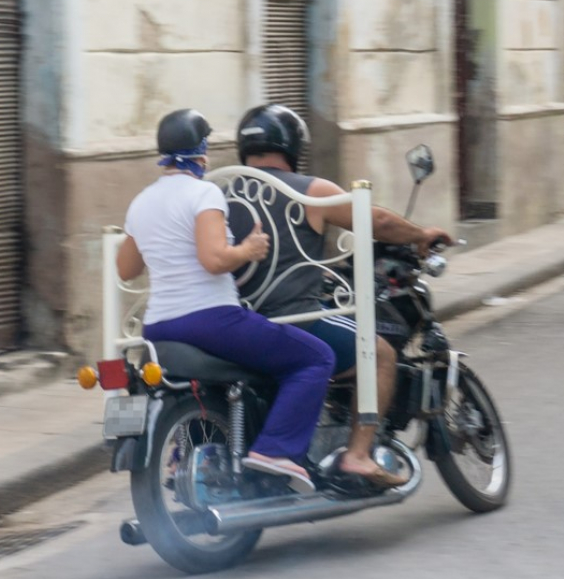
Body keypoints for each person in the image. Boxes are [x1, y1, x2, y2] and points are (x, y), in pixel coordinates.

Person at [227, 104, 452, 489]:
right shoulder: (306, 190)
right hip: (293, 319)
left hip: (235, 323)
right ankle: (358, 455)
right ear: (292, 145)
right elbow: (375, 220)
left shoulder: (219, 190)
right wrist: (420, 235)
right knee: (380, 355)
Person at [116, 108, 335, 494]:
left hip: (158, 325)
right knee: (315, 358)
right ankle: (275, 451)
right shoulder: (205, 193)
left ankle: (197, 452)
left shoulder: (141, 201)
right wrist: (249, 248)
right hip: (210, 320)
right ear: (200, 152)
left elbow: (126, 268)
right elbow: (215, 260)